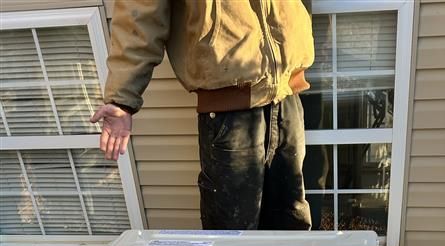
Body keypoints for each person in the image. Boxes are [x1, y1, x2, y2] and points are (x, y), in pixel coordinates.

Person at [91, 0, 315, 230]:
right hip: (228, 110)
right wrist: (122, 97)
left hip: (288, 95)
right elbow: (138, 12)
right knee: (231, 233)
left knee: (291, 222)